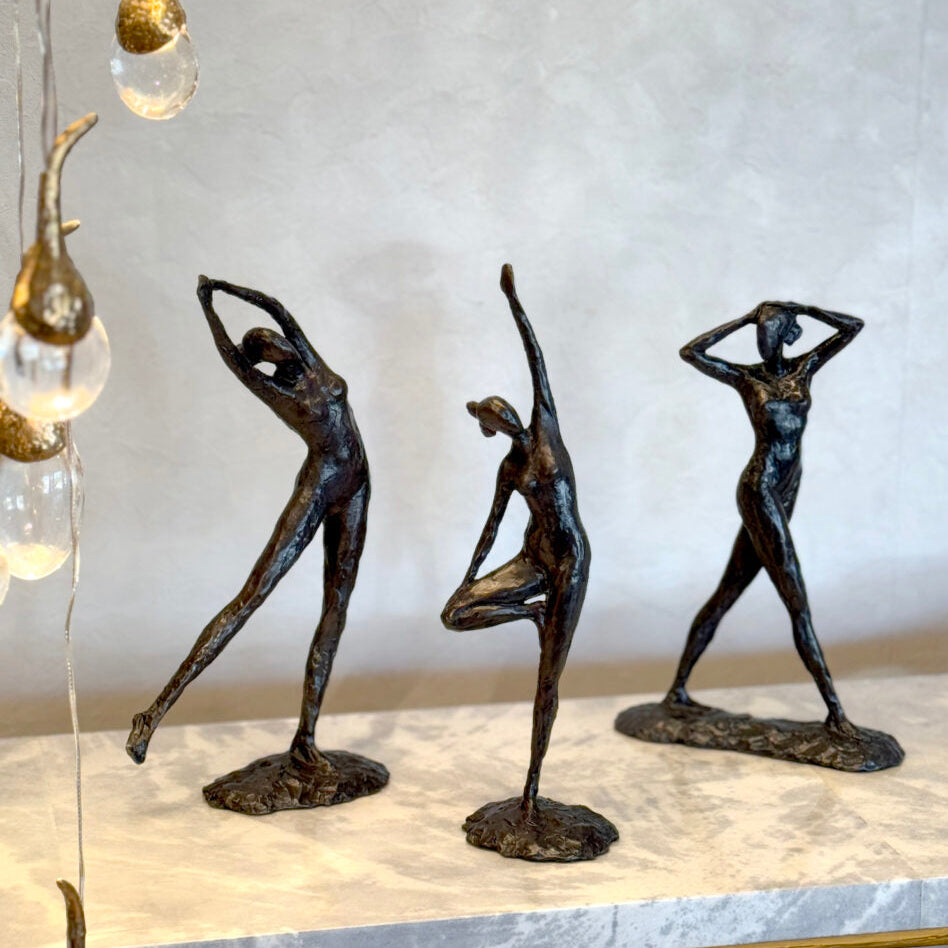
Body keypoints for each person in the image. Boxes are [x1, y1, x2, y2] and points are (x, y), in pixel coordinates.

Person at [126, 277, 370, 775]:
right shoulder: (272, 389)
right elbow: (230, 356)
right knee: (252, 596)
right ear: (263, 359)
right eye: (265, 345)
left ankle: (305, 738)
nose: (276, 343)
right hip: (319, 486)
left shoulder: (310, 359)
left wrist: (220, 288)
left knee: (336, 608)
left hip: (358, 487)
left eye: (273, 337)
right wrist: (206, 308)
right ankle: (152, 714)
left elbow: (275, 305)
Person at [667, 301, 864, 734]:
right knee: (797, 602)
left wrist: (803, 308)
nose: (763, 341)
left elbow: (853, 326)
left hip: (787, 490)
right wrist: (744, 318)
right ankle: (836, 713)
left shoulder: (804, 368)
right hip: (759, 489)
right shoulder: (747, 378)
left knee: (726, 593)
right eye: (759, 334)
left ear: (788, 335)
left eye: (770, 332)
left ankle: (676, 690)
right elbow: (691, 353)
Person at [442, 264, 591, 815]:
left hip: (569, 561)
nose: (501, 421)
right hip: (532, 559)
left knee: (548, 680)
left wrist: (512, 300)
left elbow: (536, 358)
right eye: (493, 420)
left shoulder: (545, 428)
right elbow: (492, 525)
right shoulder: (508, 467)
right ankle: (530, 613)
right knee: (456, 613)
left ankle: (531, 790)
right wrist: (468, 576)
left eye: (499, 415)